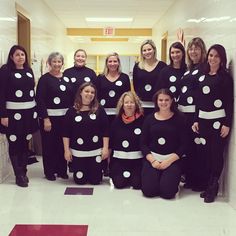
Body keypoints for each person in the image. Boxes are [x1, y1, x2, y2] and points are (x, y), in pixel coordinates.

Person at [192, 44, 233, 203]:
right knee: (206, 155)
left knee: (216, 154)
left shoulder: (225, 78)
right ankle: (208, 183)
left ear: (221, 58)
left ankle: (213, 186)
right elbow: (198, 100)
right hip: (203, 121)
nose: (212, 58)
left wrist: (227, 123)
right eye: (210, 55)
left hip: (218, 123)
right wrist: (196, 119)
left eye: (216, 56)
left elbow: (229, 103)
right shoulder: (202, 76)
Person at [0, 45, 38, 187]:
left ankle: (24, 170)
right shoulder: (5, 70)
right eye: (17, 55)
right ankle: (18, 175)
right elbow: (1, 94)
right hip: (12, 114)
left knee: (25, 143)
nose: (20, 57)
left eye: (22, 54)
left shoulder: (28, 70)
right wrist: (3, 115)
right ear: (11, 57)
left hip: (28, 113)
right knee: (15, 143)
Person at [140, 89, 187, 199]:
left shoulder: (180, 119)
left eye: (167, 100)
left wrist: (168, 161)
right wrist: (153, 160)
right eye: (160, 100)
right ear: (156, 101)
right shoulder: (149, 119)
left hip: (171, 160)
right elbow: (143, 143)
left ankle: (170, 179)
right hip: (153, 159)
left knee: (167, 193)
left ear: (171, 101)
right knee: (149, 192)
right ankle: (158, 177)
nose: (163, 102)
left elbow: (184, 145)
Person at [62, 82, 110, 185]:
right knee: (80, 181)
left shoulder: (100, 110)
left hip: (96, 151)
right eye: (87, 91)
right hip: (78, 152)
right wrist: (66, 150)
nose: (90, 94)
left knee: (95, 180)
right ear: (80, 93)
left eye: (92, 92)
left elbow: (106, 130)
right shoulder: (71, 111)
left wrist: (105, 148)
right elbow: (66, 133)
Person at [36, 52, 73, 181]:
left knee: (62, 145)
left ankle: (62, 170)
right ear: (49, 63)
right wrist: (45, 119)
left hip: (65, 119)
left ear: (62, 63)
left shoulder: (66, 78)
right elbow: (40, 100)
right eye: (54, 62)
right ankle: (50, 171)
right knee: (49, 145)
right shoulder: (44, 79)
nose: (57, 64)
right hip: (50, 119)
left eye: (59, 62)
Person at [177, 37, 207, 191]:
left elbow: (203, 95)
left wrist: (197, 117)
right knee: (188, 147)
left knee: (197, 148)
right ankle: (190, 178)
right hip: (184, 116)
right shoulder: (190, 68)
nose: (193, 52)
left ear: (202, 51)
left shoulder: (204, 69)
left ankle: (199, 181)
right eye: (190, 49)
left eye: (196, 48)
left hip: (195, 116)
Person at [97, 52, 131, 176]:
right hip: (103, 114)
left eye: (115, 61)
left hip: (119, 115)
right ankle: (103, 166)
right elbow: (96, 97)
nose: (112, 64)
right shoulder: (100, 77)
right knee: (104, 140)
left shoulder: (124, 77)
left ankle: (115, 166)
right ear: (106, 63)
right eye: (110, 61)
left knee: (117, 139)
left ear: (118, 63)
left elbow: (128, 97)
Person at [109, 91, 144, 189]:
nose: (129, 105)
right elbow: (111, 143)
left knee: (137, 184)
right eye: (126, 102)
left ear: (136, 104)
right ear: (122, 105)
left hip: (137, 160)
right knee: (119, 184)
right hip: (119, 160)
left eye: (132, 102)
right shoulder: (116, 121)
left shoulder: (143, 121)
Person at [133, 39, 167, 115]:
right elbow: (135, 85)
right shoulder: (137, 66)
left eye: (149, 49)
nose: (147, 52)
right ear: (141, 52)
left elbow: (165, 86)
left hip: (158, 105)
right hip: (142, 105)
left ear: (154, 50)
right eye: (144, 50)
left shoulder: (162, 66)